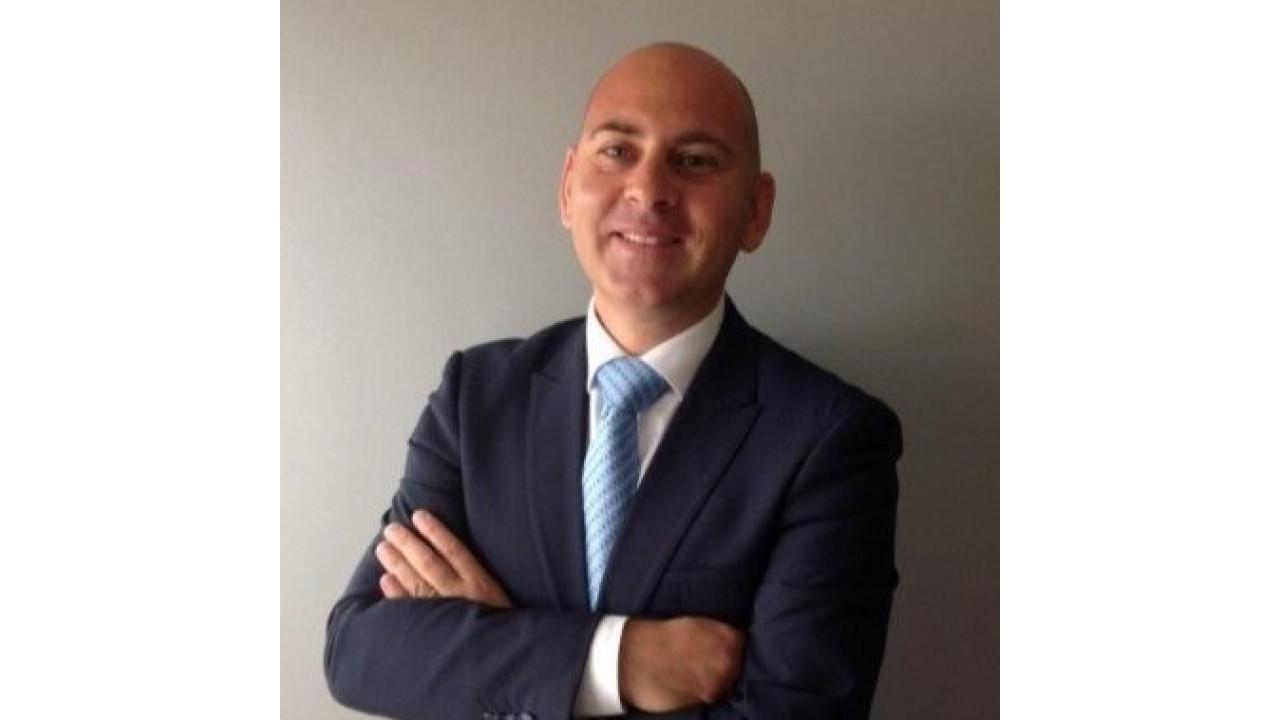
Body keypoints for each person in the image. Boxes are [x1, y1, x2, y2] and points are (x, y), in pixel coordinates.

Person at [324, 42, 902, 719]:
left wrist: (500, 657)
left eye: (695, 161)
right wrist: (617, 659)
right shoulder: (474, 399)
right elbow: (360, 651)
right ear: (568, 187)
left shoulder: (831, 439)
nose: (649, 190)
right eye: (618, 151)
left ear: (756, 210)